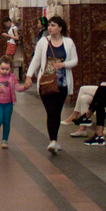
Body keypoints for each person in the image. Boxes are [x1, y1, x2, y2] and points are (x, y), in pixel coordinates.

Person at [22, 16, 78, 153]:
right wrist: (29, 76)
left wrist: (63, 64)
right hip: (46, 83)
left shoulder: (68, 42)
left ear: (60, 28)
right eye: (49, 25)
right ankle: (52, 141)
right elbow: (36, 59)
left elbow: (75, 61)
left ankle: (54, 140)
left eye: (53, 25)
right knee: (50, 110)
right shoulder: (43, 42)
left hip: (61, 84)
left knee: (57, 112)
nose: (50, 28)